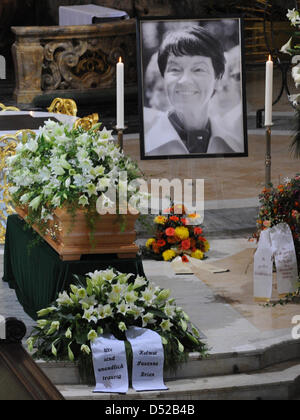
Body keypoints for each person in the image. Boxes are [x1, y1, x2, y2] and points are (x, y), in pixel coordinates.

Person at [143, 25, 244, 157]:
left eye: (198, 69)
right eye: (175, 69)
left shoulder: (235, 146)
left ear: (218, 79)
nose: (185, 80)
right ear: (164, 77)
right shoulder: (146, 143)